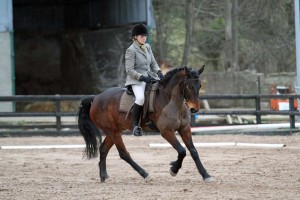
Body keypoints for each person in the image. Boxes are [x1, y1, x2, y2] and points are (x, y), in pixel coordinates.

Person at [125, 23, 163, 136]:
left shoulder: (147, 47)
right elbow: (129, 70)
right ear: (135, 37)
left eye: (145, 36)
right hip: (136, 79)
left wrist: (159, 72)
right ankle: (135, 125)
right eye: (142, 36)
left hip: (149, 76)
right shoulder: (131, 50)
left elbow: (153, 62)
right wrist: (142, 78)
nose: (144, 38)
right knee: (141, 98)